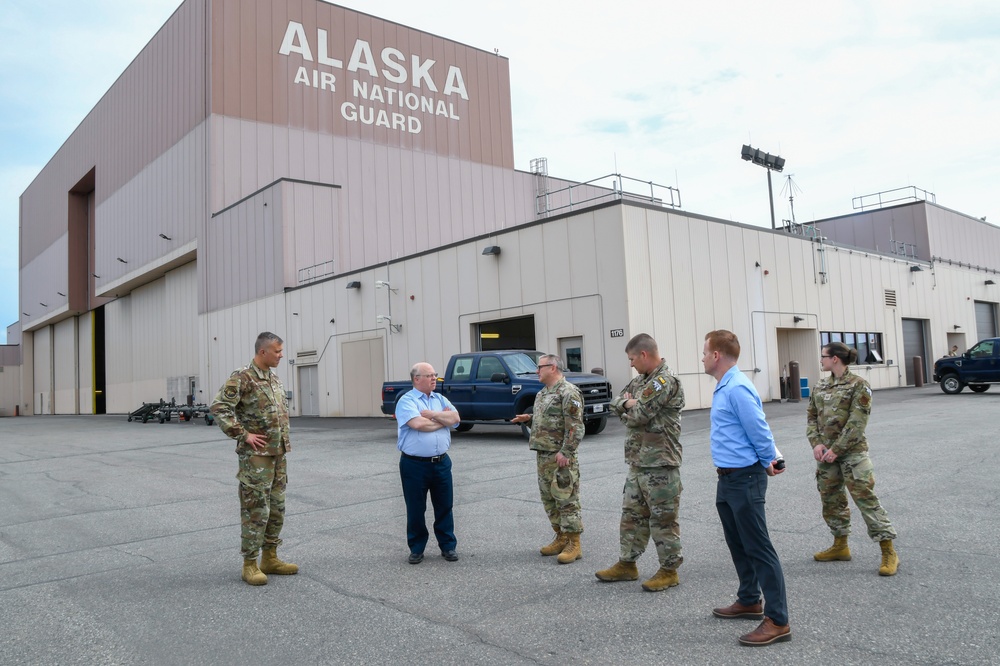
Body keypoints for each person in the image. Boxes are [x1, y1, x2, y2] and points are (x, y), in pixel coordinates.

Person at [702, 330, 791, 647]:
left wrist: (771, 458)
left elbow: (758, 428)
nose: (701, 357)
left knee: (758, 547)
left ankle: (778, 620)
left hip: (745, 478)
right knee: (738, 543)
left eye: (704, 352)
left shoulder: (737, 387)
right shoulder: (724, 386)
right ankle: (750, 599)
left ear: (716, 355)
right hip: (727, 478)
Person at [595, 333, 685, 592]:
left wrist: (629, 408)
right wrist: (627, 403)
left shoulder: (664, 382)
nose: (631, 364)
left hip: (660, 463)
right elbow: (616, 403)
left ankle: (669, 570)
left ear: (644, 355)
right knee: (632, 516)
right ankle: (627, 564)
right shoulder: (639, 381)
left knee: (663, 519)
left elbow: (639, 415)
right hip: (638, 462)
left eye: (632, 358)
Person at [211, 331, 298, 586]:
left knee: (277, 508)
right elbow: (219, 407)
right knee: (255, 510)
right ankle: (249, 563)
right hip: (256, 458)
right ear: (263, 352)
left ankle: (269, 557)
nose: (281, 355)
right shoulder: (243, 377)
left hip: (278, 454)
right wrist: (243, 434)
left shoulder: (274, 379)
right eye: (277, 351)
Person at [809, 342, 899, 576]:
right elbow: (811, 417)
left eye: (824, 356)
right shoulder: (820, 385)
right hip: (826, 455)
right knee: (831, 500)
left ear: (835, 359)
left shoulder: (859, 385)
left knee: (865, 499)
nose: (821, 360)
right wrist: (816, 443)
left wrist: (836, 449)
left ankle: (888, 550)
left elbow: (857, 423)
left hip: (852, 453)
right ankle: (840, 546)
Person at [512, 354, 585, 564]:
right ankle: (560, 536)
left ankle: (574, 543)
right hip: (544, 455)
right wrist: (529, 418)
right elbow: (551, 418)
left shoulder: (568, 392)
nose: (537, 371)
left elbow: (575, 426)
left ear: (552, 368)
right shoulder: (543, 393)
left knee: (566, 499)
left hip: (560, 456)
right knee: (549, 498)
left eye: (540, 367)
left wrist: (567, 452)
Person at [396, 362, 461, 564]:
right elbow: (418, 424)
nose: (434, 378)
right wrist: (443, 420)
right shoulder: (406, 401)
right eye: (430, 375)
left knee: (444, 506)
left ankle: (448, 546)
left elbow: (456, 418)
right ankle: (416, 548)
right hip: (414, 465)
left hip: (441, 462)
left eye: (435, 375)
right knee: (415, 507)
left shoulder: (440, 398)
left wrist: (433, 415)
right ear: (417, 379)